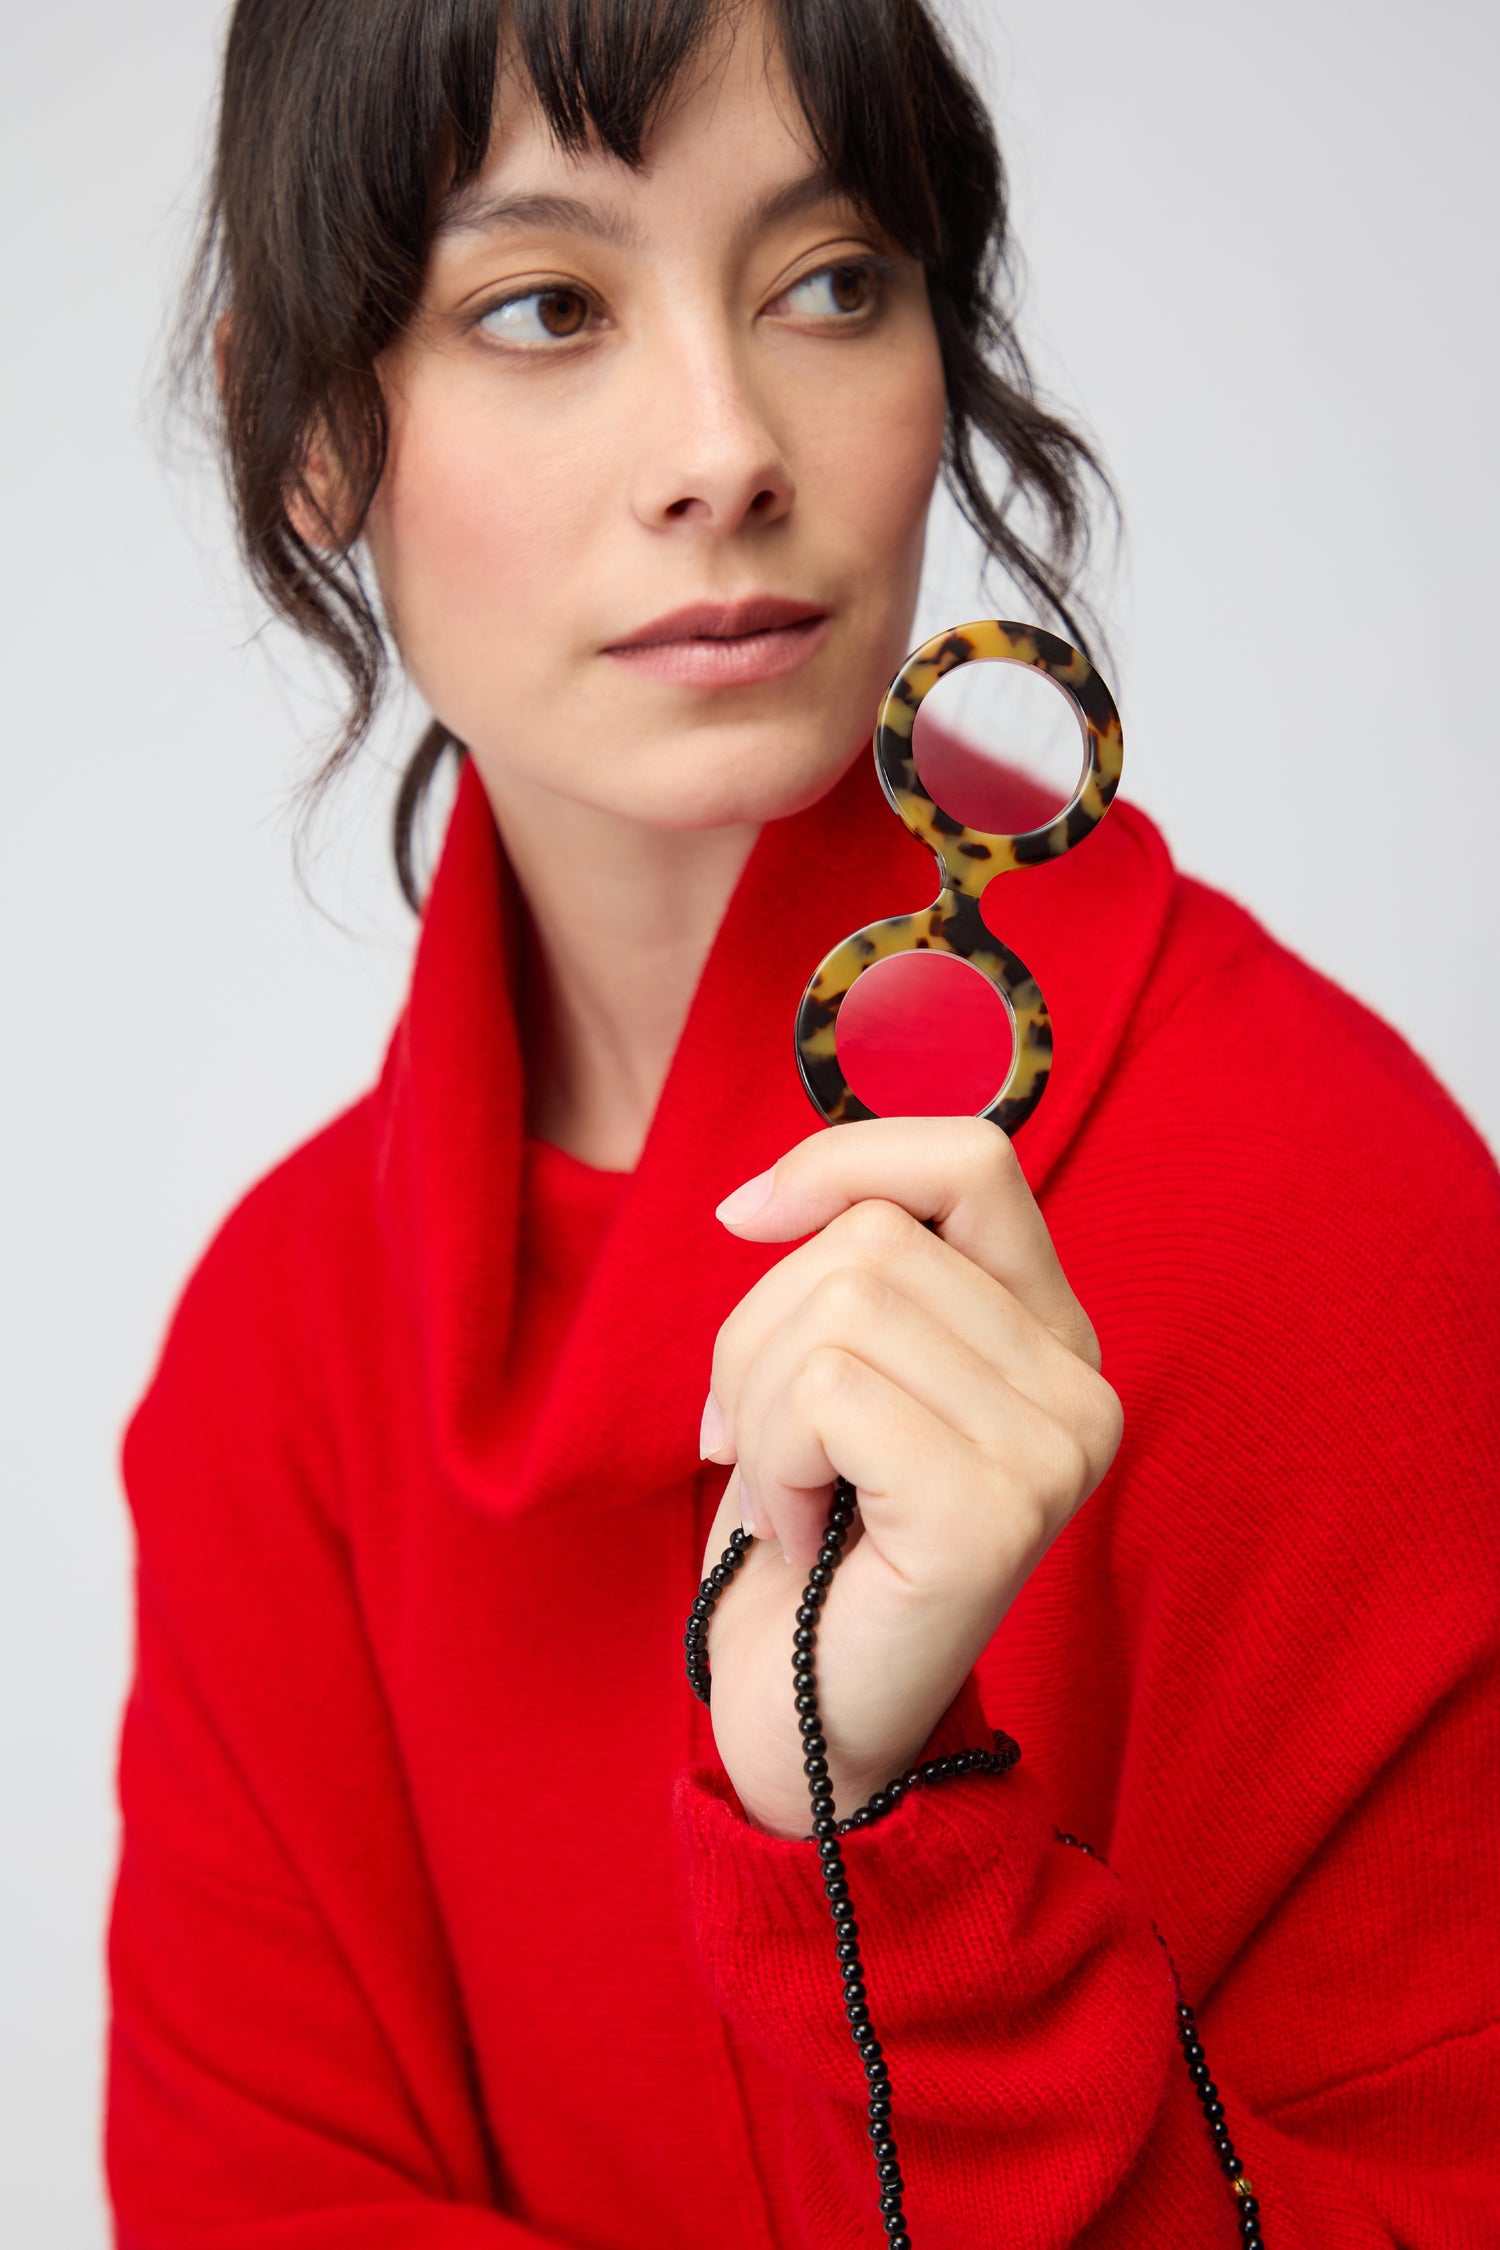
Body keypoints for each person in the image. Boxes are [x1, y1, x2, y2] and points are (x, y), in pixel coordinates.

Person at [108, 0, 1500, 2243]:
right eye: (544, 305)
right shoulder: (274, 1361)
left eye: (832, 279)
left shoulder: (1318, 1203)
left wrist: (883, 1841)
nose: (725, 447)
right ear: (310, 431)